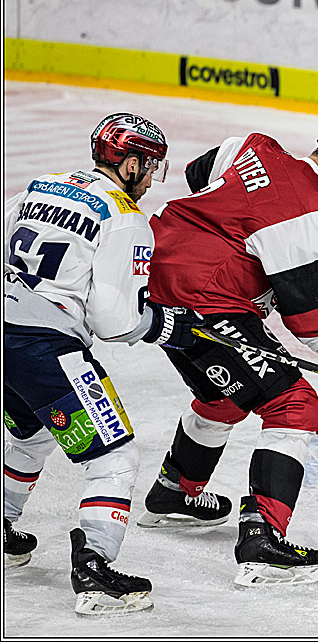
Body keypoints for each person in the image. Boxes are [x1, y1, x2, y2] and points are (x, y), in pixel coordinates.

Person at [138, 115, 318, 587]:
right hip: (208, 300)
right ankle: (262, 544)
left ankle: (174, 492)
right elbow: (307, 314)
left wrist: (236, 242)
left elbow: (199, 175)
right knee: (294, 403)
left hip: (154, 281)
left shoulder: (253, 146)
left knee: (227, 393)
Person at [3, 113, 204, 615]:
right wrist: (167, 325)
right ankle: (94, 570)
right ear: (130, 163)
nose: (151, 180)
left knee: (31, 433)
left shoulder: (39, 186)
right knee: (115, 458)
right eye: (150, 167)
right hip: (45, 348)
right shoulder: (124, 216)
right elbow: (114, 320)